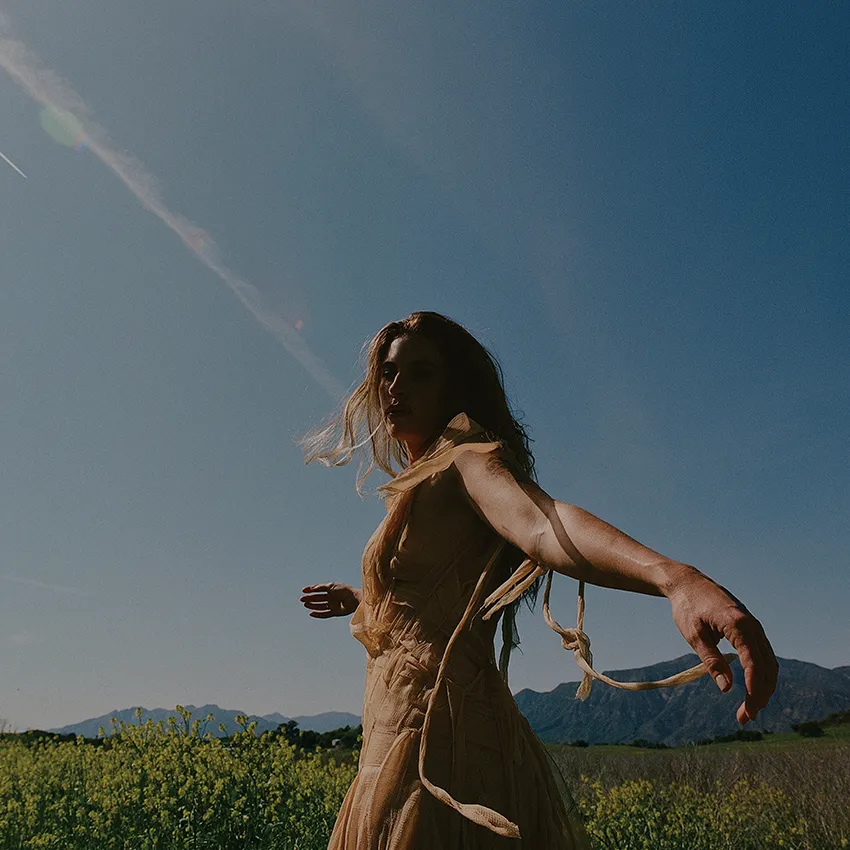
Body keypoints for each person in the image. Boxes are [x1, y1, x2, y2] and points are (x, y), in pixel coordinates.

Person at [299, 311, 778, 849]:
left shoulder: (466, 457)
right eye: (388, 372)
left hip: (437, 741)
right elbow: (432, 605)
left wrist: (675, 578)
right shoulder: (422, 480)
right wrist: (362, 597)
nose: (395, 388)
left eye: (421, 373)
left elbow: (540, 523)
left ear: (453, 389)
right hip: (402, 730)